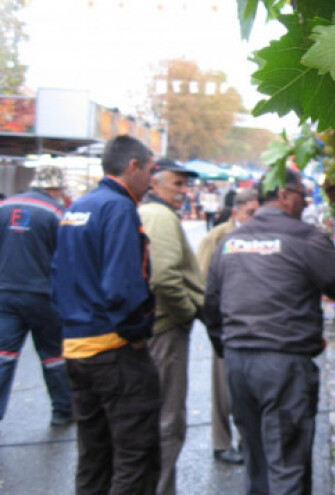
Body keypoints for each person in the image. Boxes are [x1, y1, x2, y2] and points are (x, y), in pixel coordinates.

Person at [203, 169, 335, 495]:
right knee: (287, 466)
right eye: (302, 196)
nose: (305, 203)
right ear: (283, 195)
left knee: (257, 461)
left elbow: (211, 306)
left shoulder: (231, 242)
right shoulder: (303, 237)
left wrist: (230, 349)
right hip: (282, 363)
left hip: (237, 363)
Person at [51, 135, 160, 494]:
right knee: (134, 457)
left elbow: (57, 280)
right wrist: (138, 330)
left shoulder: (78, 207)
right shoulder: (118, 208)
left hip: (77, 349)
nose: (152, 179)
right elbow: (122, 285)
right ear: (132, 166)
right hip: (113, 351)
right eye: (149, 170)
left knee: (94, 456)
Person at [138, 158, 204, 495]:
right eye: (176, 184)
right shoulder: (160, 216)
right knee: (168, 421)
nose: (183, 191)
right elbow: (164, 276)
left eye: (184, 185)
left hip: (154, 327)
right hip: (164, 329)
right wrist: (187, 311)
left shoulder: (151, 212)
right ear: (154, 182)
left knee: (154, 418)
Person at [0, 165, 73, 427]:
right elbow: (67, 257)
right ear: (55, 188)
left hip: (5, 293)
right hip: (43, 295)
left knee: (4, 356)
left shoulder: (5, 206)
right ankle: (63, 410)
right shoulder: (57, 213)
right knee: (53, 355)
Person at [195, 188, 259, 466]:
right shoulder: (218, 236)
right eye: (250, 213)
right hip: (226, 322)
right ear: (236, 212)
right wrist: (213, 322)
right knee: (223, 390)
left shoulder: (261, 235)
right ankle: (221, 443)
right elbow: (202, 281)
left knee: (248, 389)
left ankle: (248, 441)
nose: (254, 219)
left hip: (253, 322)